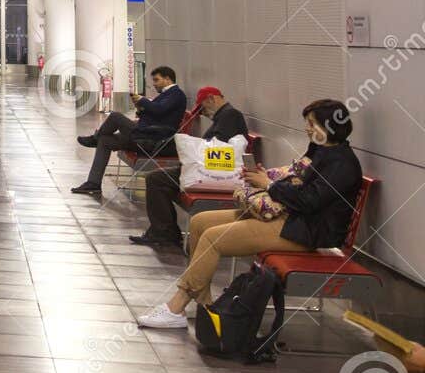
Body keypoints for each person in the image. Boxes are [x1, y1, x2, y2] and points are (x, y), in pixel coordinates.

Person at [136, 98, 362, 329]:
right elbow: (296, 181)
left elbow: (309, 200)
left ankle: (177, 306)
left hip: (305, 231)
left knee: (213, 239)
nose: (307, 128)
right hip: (291, 218)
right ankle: (204, 304)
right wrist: (270, 179)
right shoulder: (321, 151)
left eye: (313, 124)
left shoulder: (342, 164)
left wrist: (270, 185)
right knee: (200, 222)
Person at [129, 85, 248, 248]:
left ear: (211, 99)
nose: (202, 113)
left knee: (155, 179)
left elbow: (216, 147)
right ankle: (164, 231)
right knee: (159, 179)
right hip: (211, 169)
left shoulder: (230, 115)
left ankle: (164, 232)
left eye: (202, 108)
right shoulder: (225, 116)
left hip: (213, 172)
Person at [70, 66, 187, 198]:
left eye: (156, 80)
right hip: (144, 136)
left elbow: (159, 110)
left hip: (153, 140)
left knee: (115, 117)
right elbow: (155, 114)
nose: (154, 84)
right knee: (105, 141)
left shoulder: (177, 95)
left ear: (167, 79)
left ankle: (95, 138)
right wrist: (141, 108)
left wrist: (142, 100)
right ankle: (93, 183)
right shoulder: (165, 95)